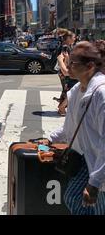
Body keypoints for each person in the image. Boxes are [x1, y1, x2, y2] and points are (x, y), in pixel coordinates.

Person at [41, 41, 105, 215]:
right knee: (73, 198)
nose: (67, 65)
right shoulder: (78, 89)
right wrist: (49, 140)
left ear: (90, 66)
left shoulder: (101, 93)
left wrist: (95, 183)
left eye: (73, 63)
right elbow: (71, 126)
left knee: (96, 206)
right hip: (85, 158)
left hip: (99, 162)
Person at [56, 31, 78, 116]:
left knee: (67, 89)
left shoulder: (67, 46)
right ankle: (62, 107)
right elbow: (63, 59)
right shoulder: (65, 47)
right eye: (73, 37)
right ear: (68, 38)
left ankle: (62, 106)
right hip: (65, 71)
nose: (75, 38)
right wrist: (67, 70)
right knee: (70, 89)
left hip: (65, 71)